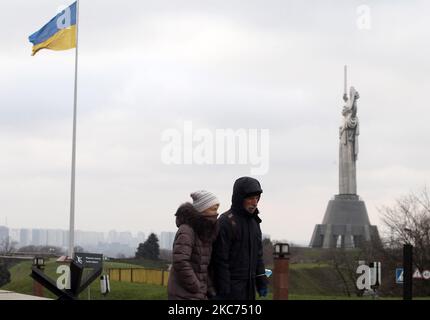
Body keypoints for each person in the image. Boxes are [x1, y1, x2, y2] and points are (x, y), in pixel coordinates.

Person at [211, 177, 268, 300]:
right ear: (240, 198)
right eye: (251, 198)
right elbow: (220, 259)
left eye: (257, 198)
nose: (255, 202)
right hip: (230, 289)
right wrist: (224, 290)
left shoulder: (254, 222)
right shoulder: (226, 221)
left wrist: (261, 280)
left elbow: (258, 255)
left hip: (249, 288)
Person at [167, 190, 220, 300]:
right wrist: (196, 285)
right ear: (202, 209)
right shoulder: (187, 230)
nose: (216, 213)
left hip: (198, 294)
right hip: (184, 294)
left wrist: (210, 290)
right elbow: (180, 261)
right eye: (213, 209)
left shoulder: (205, 232)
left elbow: (203, 267)